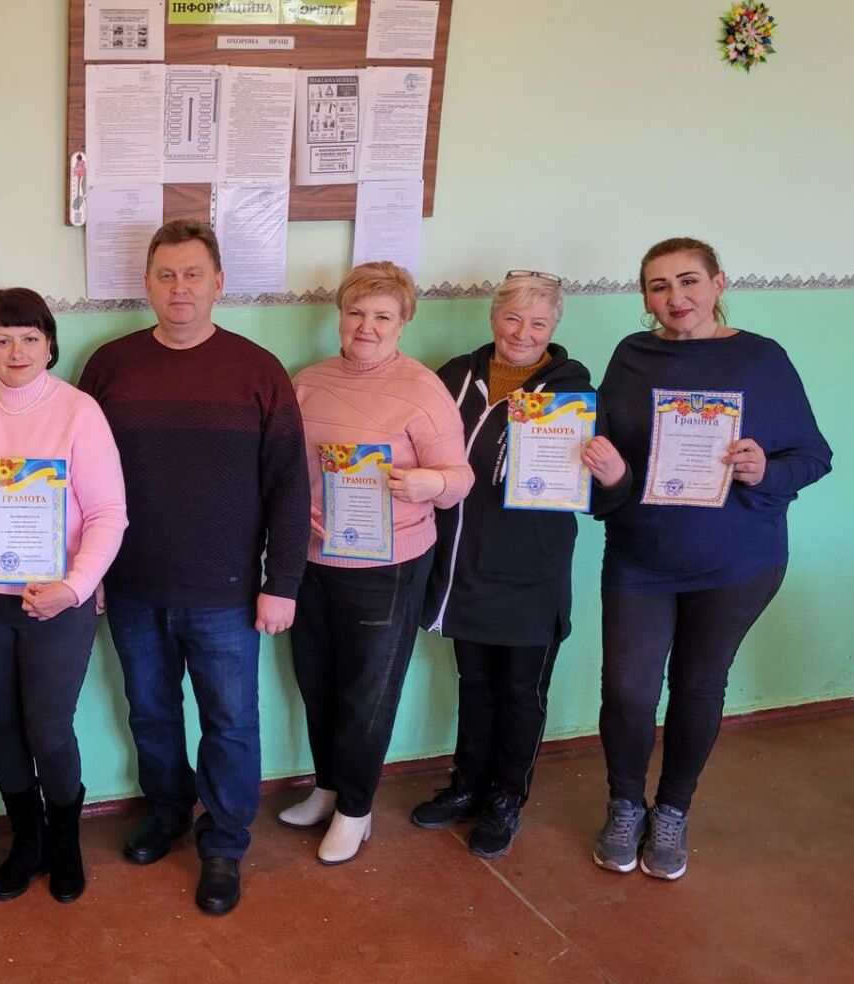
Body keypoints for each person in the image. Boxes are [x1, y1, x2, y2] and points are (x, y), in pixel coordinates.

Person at [79, 220, 310, 915]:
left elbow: (289, 486)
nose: (179, 288)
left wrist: (282, 583)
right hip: (131, 586)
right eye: (166, 275)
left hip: (227, 592)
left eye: (193, 274)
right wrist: (86, 571)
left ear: (218, 283)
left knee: (230, 721)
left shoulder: (258, 370)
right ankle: (168, 809)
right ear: (147, 284)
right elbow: (79, 479)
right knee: (150, 711)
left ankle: (225, 841)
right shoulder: (109, 367)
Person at [592, 237, 831, 880]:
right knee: (628, 690)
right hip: (641, 556)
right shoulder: (631, 355)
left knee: (699, 686)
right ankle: (624, 804)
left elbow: (813, 456)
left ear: (719, 283)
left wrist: (764, 469)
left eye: (689, 280)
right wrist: (607, 472)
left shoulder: (761, 357)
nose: (676, 297)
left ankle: (672, 809)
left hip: (736, 562)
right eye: (659, 286)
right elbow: (609, 462)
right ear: (645, 298)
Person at [412, 271, 629, 857]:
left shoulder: (575, 396)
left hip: (532, 574)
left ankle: (507, 798)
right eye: (512, 318)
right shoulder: (455, 377)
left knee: (520, 693)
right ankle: (467, 785)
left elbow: (602, 497)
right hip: (462, 567)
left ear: (554, 326)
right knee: (475, 685)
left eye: (538, 322)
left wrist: (614, 475)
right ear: (493, 318)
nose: (523, 333)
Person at [279, 262, 473, 864]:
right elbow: (287, 471)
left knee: (367, 693)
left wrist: (428, 482)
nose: (367, 326)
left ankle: (355, 810)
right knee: (317, 682)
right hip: (313, 559)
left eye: (383, 316)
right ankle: (328, 788)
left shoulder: (422, 389)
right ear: (339, 315)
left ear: (403, 322)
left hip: (387, 567)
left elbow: (460, 479)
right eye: (356, 312)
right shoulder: (307, 382)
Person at [0, 288, 127, 904]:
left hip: (57, 602)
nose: (16, 351)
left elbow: (108, 514)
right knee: (0, 724)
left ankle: (65, 842)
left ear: (49, 344)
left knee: (49, 729)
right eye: (1, 339)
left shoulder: (79, 411)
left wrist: (74, 588)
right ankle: (27, 841)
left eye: (29, 337)